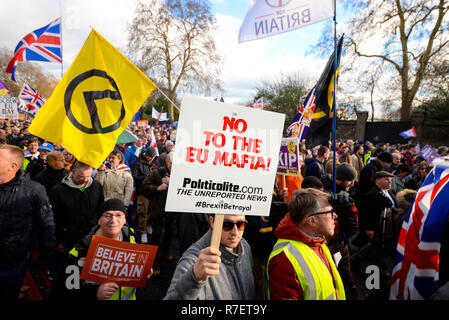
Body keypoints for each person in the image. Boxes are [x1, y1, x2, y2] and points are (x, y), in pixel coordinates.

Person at [52, 198, 151, 300]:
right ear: (99, 220)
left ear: (125, 219)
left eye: (118, 215)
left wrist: (144, 271)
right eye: (108, 215)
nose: (113, 220)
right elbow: (67, 288)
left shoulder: (132, 236)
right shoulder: (80, 252)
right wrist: (94, 292)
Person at [266, 188, 346, 300]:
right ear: (312, 220)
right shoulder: (284, 259)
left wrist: (348, 207)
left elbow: (350, 229)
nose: (335, 216)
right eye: (330, 212)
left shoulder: (317, 238)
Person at [0, 144, 55, 300]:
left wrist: (45, 256)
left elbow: (46, 224)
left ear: (13, 166)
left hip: (12, 262)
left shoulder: (33, 190)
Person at [164, 214, 255, 300]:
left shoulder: (244, 246)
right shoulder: (194, 260)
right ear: (212, 222)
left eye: (241, 224)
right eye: (227, 225)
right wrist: (194, 277)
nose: (235, 233)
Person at [49, 161, 104, 258]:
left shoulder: (96, 186)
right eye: (81, 176)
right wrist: (57, 241)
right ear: (73, 172)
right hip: (67, 240)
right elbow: (51, 217)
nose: (85, 180)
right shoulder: (58, 190)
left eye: (88, 176)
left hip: (90, 237)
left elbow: (101, 210)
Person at [142, 151, 175, 272]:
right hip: (158, 210)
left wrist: (172, 183)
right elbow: (144, 186)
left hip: (172, 212)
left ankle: (165, 253)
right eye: (172, 163)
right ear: (167, 162)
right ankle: (153, 263)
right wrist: (157, 188)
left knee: (169, 234)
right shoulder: (157, 172)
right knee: (156, 236)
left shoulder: (180, 173)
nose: (174, 165)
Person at [131, 147, 159, 242]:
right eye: (149, 156)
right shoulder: (137, 163)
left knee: (152, 212)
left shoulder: (156, 163)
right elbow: (134, 177)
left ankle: (148, 225)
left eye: (152, 157)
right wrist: (146, 177)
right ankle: (143, 232)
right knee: (142, 212)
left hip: (154, 192)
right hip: (142, 192)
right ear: (146, 155)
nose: (150, 159)